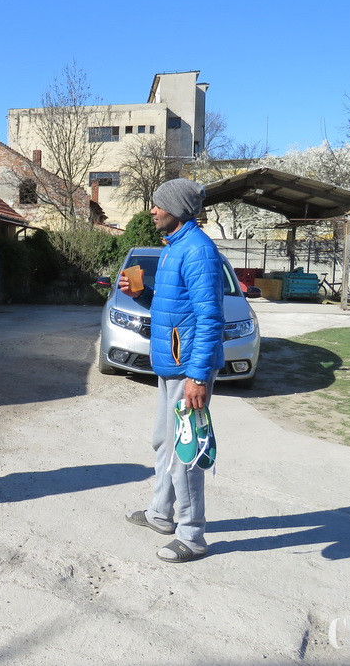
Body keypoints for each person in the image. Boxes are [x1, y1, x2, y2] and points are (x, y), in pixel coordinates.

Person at [119, 178, 225, 563]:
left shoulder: (198, 251)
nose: (152, 210)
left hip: (188, 369)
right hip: (171, 365)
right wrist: (141, 294)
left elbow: (210, 318)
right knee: (163, 442)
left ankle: (192, 535)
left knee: (186, 451)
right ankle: (161, 514)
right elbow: (173, 306)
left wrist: (198, 376)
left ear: (177, 209)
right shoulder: (174, 248)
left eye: (158, 204)